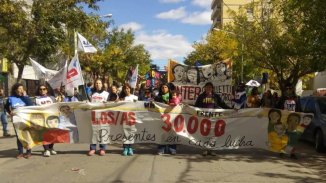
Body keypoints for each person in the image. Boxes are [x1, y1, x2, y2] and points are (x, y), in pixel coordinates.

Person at [195, 82, 231, 156]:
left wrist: (231, 109)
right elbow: (196, 106)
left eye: (210, 87)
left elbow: (222, 104)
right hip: (204, 118)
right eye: (207, 87)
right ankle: (205, 149)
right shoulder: (201, 96)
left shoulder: (216, 96)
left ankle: (211, 149)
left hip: (214, 118)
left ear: (212, 88)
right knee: (204, 134)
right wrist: (188, 107)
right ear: (204, 88)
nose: (208, 88)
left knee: (213, 134)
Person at [5, 83, 33, 159]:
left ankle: (28, 152)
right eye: (19, 88)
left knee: (26, 134)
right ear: (15, 90)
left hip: (26, 119)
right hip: (16, 120)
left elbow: (31, 105)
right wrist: (9, 112)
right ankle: (20, 152)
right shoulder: (11, 98)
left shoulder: (25, 97)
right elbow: (6, 106)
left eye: (22, 88)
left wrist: (25, 96)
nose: (21, 90)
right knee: (19, 135)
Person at [35, 84, 58, 157]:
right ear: (38, 91)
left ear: (47, 90)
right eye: (40, 89)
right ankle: (46, 150)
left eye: (44, 89)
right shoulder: (36, 99)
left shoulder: (52, 98)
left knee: (52, 134)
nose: (42, 91)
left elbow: (57, 106)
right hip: (41, 119)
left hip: (52, 119)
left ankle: (51, 148)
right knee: (44, 135)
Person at [88, 79, 109, 156]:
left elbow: (110, 104)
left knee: (102, 132)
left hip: (103, 117)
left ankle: (102, 148)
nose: (98, 84)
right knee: (93, 132)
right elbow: (89, 104)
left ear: (102, 84)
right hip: (94, 116)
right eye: (96, 83)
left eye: (99, 83)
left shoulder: (106, 94)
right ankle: (92, 148)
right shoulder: (92, 94)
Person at [119, 83, 138, 156]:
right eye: (125, 88)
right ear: (123, 90)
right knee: (125, 133)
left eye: (128, 88)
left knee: (131, 133)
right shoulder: (122, 99)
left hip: (133, 118)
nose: (127, 90)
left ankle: (130, 148)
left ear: (130, 89)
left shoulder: (135, 97)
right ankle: (125, 148)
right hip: (124, 118)